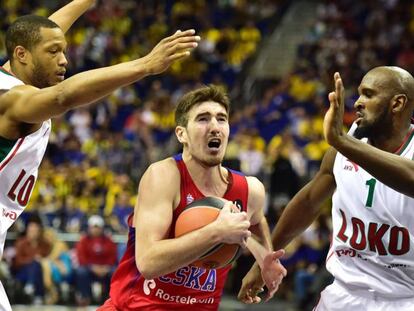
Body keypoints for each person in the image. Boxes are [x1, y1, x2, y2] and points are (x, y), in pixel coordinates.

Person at [0, 2, 199, 310]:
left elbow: (42, 30)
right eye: (54, 52)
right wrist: (145, 64)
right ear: (22, 55)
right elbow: (64, 96)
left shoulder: (15, 69)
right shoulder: (13, 101)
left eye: (63, 50)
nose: (64, 60)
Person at [239, 66, 414, 310]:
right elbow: (308, 202)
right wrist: (264, 261)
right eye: (359, 94)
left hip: (404, 299)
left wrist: (341, 141)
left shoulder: (347, 144)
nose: (358, 103)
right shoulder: (346, 146)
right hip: (343, 293)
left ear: (397, 103)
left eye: (369, 94)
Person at [98, 85, 287, 311]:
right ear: (182, 134)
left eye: (221, 119)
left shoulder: (251, 190)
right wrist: (216, 232)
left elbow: (257, 220)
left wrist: (263, 260)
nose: (215, 127)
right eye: (203, 119)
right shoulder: (163, 176)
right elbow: (148, 262)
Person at [74, 215, 118, 306]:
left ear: (102, 228)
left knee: (115, 272)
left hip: (105, 269)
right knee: (81, 272)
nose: (96, 230)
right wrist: (92, 267)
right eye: (94, 227)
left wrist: (105, 267)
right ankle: (85, 297)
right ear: (89, 228)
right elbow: (81, 258)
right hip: (89, 269)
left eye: (98, 227)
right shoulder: (83, 240)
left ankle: (110, 298)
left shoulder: (108, 241)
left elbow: (113, 256)